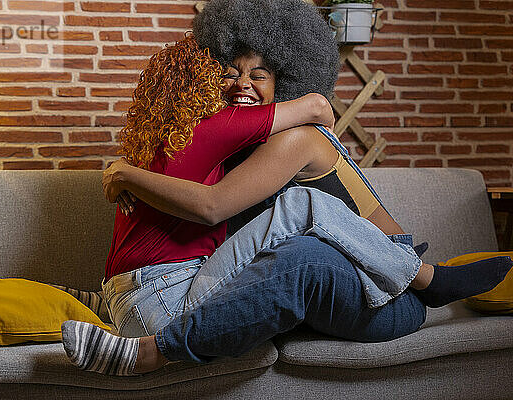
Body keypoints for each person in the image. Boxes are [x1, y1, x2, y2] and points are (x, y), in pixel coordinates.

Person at [61, 0, 512, 376]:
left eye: (259, 75)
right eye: (232, 72)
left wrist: (121, 172)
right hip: (303, 293)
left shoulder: (295, 139)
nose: (242, 84)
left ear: (285, 85)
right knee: (292, 253)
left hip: (382, 287)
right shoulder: (227, 151)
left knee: (302, 248)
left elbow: (215, 207)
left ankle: (427, 277)